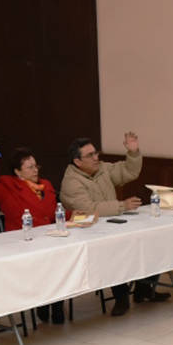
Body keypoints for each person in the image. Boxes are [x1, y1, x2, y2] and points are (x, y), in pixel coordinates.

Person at [60, 132, 165, 316]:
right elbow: (87, 208)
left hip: (111, 222)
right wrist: (122, 206)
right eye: (90, 155)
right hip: (87, 230)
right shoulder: (71, 182)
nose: (96, 158)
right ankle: (121, 296)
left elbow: (128, 171)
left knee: (150, 238)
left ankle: (144, 289)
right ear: (77, 162)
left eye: (96, 153)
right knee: (115, 249)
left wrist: (133, 153)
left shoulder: (102, 169)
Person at [0, 136, 65, 325]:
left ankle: (57, 302)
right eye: (30, 167)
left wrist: (76, 215)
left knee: (61, 259)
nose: (35, 170)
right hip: (24, 244)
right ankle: (46, 302)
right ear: (18, 172)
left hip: (50, 240)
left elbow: (54, 213)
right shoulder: (8, 187)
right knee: (47, 264)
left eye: (36, 166)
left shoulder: (46, 185)